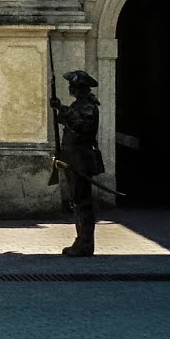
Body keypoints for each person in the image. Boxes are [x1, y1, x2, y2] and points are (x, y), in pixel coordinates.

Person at [51, 68, 105, 258]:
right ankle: (80, 240)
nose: (70, 89)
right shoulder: (78, 105)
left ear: (79, 88)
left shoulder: (88, 107)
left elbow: (81, 127)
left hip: (81, 158)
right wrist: (61, 109)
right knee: (78, 202)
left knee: (83, 202)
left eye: (72, 86)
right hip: (73, 157)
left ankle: (85, 243)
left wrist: (62, 110)